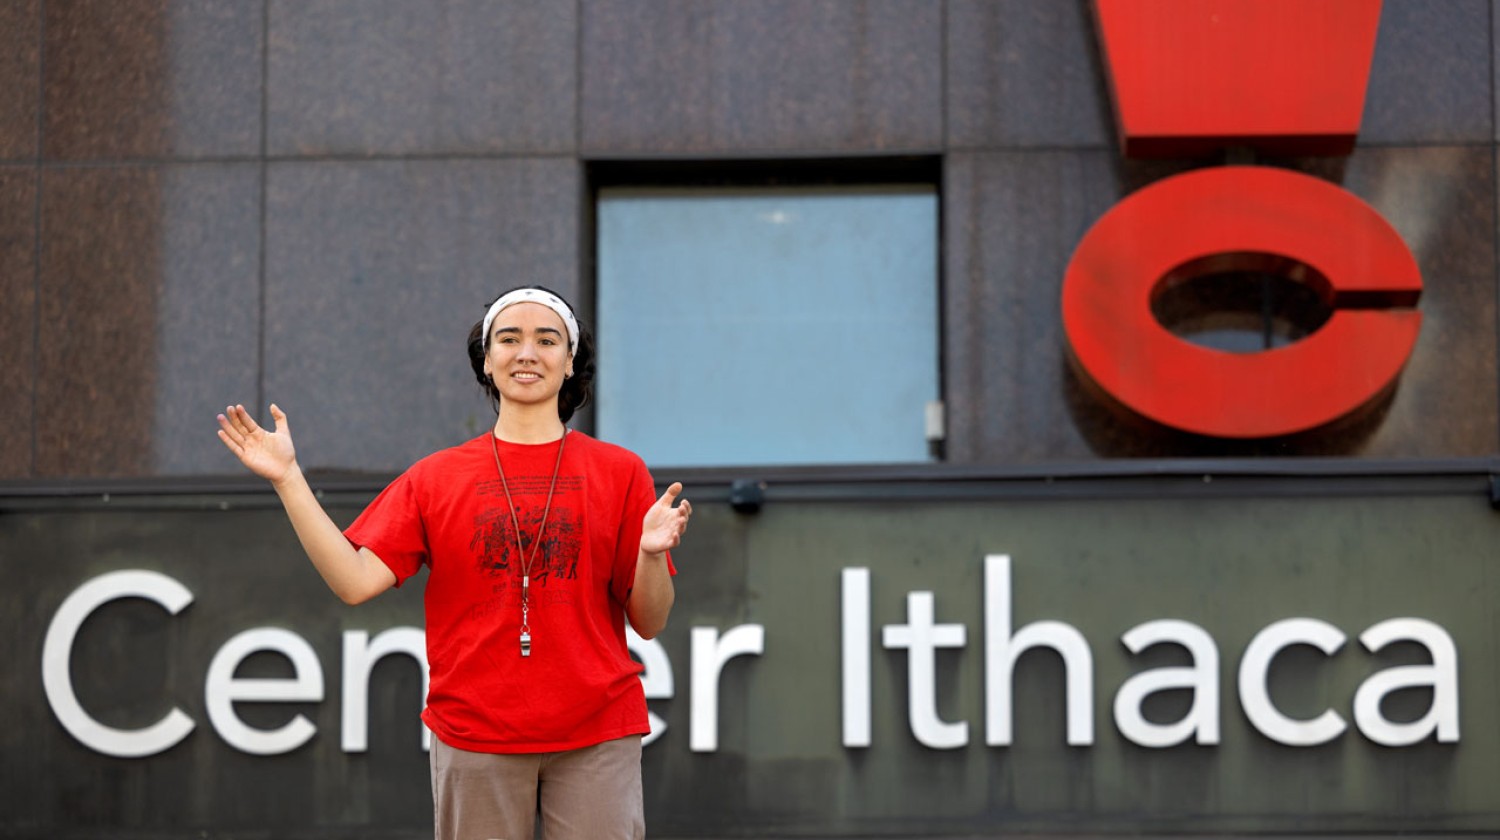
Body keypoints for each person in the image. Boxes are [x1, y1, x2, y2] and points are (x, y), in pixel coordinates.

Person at [216, 285, 690, 840]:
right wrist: (288, 480)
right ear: (487, 362)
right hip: (473, 732)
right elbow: (354, 581)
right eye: (508, 339)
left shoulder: (620, 472)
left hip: (599, 731)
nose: (527, 353)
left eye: (547, 340)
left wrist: (650, 555)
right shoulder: (436, 476)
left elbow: (650, 621)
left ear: (570, 362)